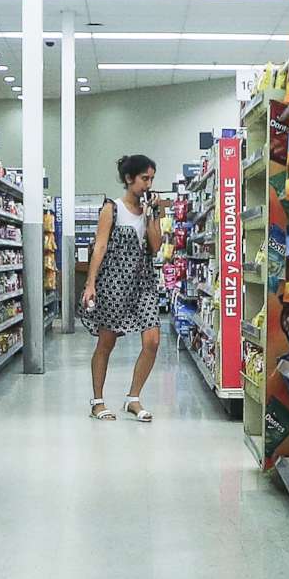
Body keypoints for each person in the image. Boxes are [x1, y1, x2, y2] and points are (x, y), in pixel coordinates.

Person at [80, 153, 166, 422]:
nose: (148, 184)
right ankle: (97, 401)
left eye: (151, 179)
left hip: (143, 282)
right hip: (114, 281)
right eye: (144, 178)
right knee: (107, 341)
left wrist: (153, 215)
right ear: (129, 179)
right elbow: (100, 246)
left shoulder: (150, 210)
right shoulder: (112, 209)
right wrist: (91, 283)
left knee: (152, 340)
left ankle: (133, 397)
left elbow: (155, 246)